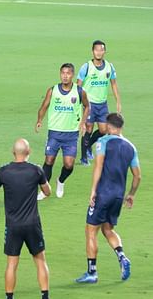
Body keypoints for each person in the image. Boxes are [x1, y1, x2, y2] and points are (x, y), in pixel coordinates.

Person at [0, 139, 53, 299]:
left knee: (11, 264)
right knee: (40, 261)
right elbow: (48, 191)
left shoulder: (3, 171)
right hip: (33, 224)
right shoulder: (36, 170)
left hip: (13, 225)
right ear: (29, 151)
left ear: (13, 152)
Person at [76, 113, 140, 283]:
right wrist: (131, 195)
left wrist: (93, 191)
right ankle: (122, 257)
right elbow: (137, 177)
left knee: (90, 230)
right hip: (118, 196)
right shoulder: (131, 147)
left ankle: (92, 272)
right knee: (107, 229)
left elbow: (98, 166)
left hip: (103, 193)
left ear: (109, 126)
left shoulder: (103, 142)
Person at [35, 63, 90, 200]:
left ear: (72, 75)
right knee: (49, 160)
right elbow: (44, 106)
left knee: (69, 164)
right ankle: (44, 190)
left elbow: (87, 106)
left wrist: (83, 122)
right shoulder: (52, 90)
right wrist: (39, 120)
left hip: (71, 134)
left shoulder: (79, 91)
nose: (65, 76)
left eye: (68, 73)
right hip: (54, 132)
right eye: (63, 73)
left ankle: (61, 181)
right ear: (60, 74)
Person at [78, 40, 121, 165]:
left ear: (104, 52)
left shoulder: (109, 66)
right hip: (89, 104)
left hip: (102, 104)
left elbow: (113, 84)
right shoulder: (86, 67)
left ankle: (88, 147)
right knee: (89, 128)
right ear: (93, 51)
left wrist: (118, 100)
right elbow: (78, 86)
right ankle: (83, 157)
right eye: (96, 50)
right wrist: (79, 103)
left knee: (103, 130)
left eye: (101, 50)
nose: (99, 52)